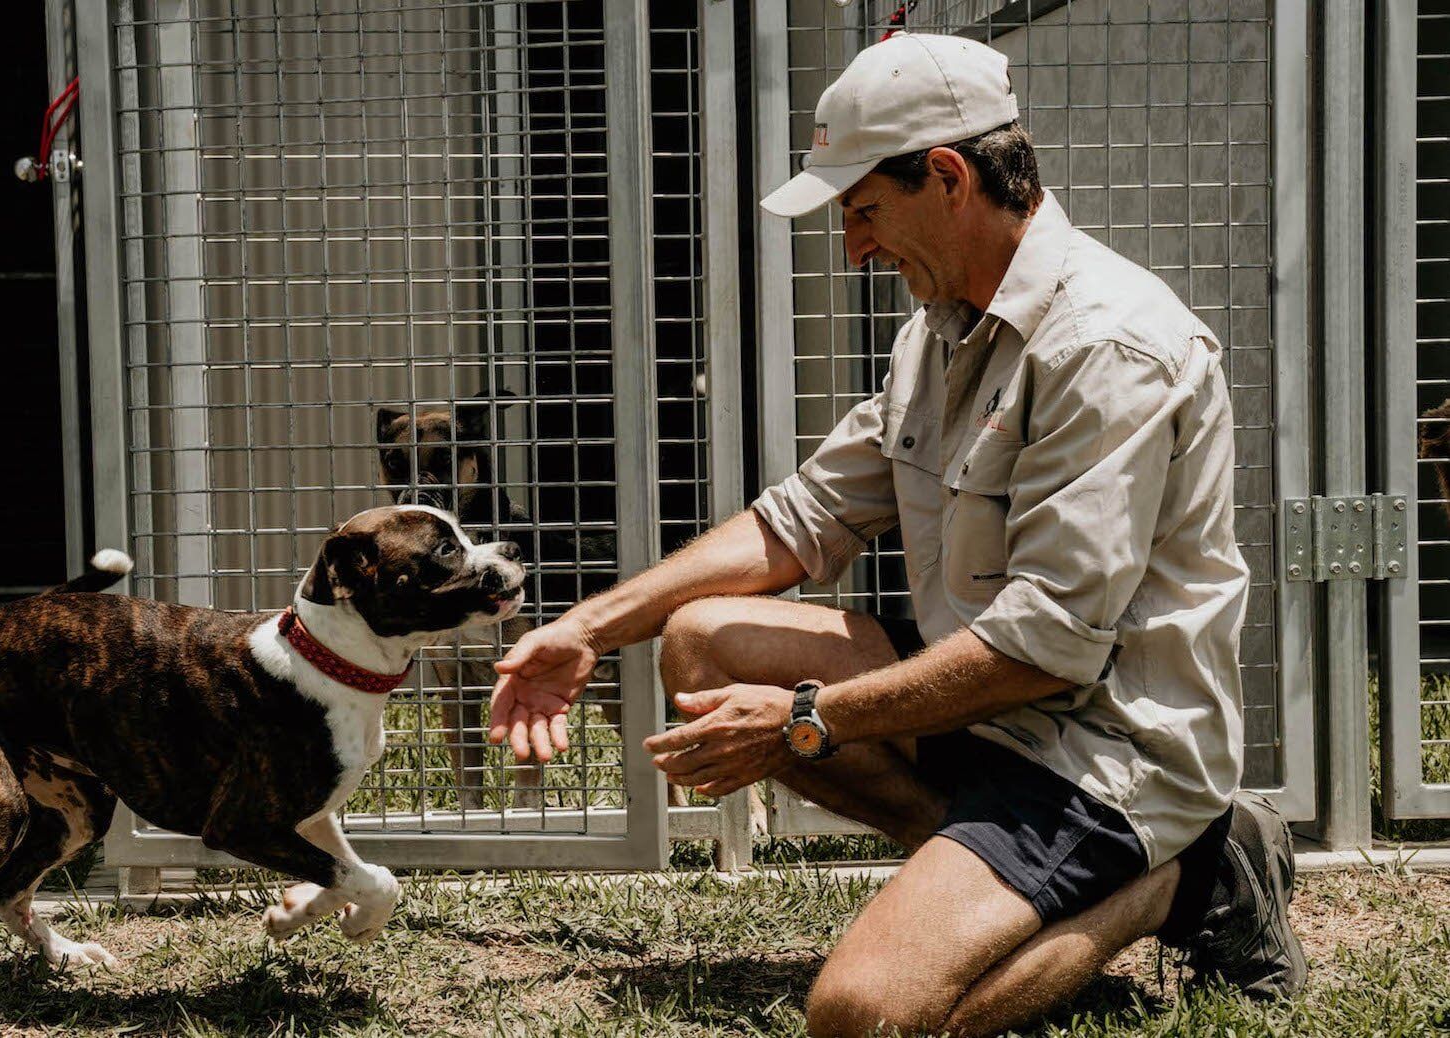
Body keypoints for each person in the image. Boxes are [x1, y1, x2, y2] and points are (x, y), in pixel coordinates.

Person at [487, 31, 1305, 1038]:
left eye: (864, 209)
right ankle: (980, 878)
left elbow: (1047, 644)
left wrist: (802, 721)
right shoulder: (940, 328)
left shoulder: (1105, 343)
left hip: (1099, 746)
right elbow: (805, 517)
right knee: (701, 643)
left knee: (862, 1019)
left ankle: (1180, 876)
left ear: (949, 177)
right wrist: (590, 627)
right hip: (982, 704)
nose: (855, 248)